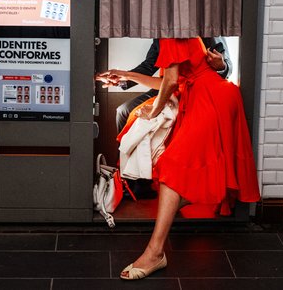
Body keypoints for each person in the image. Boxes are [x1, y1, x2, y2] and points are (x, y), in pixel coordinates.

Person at [117, 38, 259, 280]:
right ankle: (175, 210)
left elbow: (171, 83)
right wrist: (123, 75)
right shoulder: (174, 28)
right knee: (174, 165)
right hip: (199, 96)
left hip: (211, 97)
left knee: (172, 164)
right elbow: (167, 81)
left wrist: (153, 111)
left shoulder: (173, 28)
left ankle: (155, 252)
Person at [96, 38, 231, 198]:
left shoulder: (207, 27)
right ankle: (131, 178)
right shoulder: (161, 31)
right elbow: (150, 66)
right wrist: (122, 79)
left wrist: (222, 66)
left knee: (145, 119)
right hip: (170, 84)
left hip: (188, 87)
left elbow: (224, 67)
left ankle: (142, 180)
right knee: (124, 110)